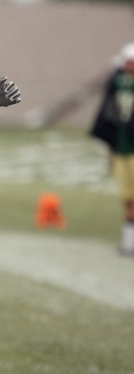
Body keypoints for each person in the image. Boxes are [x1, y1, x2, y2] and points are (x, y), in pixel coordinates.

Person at [91, 42, 134, 256]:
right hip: (122, 148)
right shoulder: (119, 83)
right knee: (127, 197)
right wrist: (110, 147)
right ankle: (129, 242)